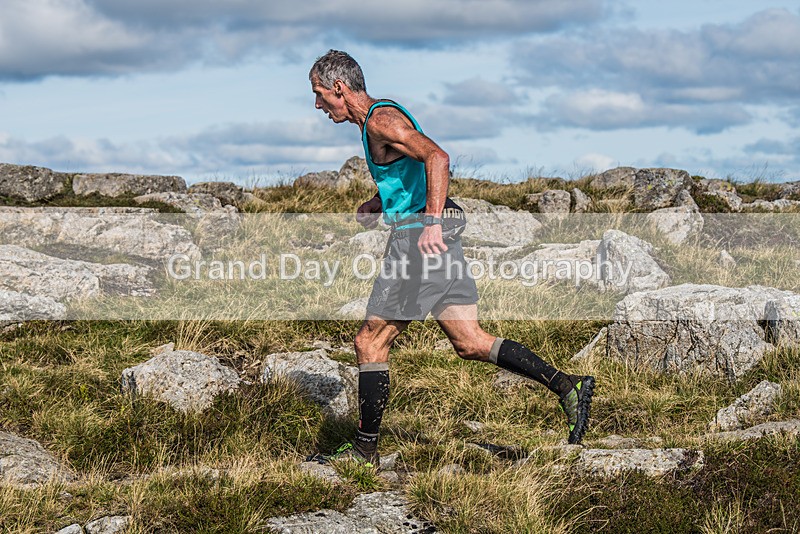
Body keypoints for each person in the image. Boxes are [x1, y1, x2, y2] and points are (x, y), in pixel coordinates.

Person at [308, 50, 594, 467]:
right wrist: (378, 202)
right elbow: (410, 171)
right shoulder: (378, 122)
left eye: (319, 95)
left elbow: (437, 157)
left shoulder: (380, 120)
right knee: (470, 342)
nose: (318, 105)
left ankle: (365, 450)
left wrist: (431, 223)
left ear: (339, 88)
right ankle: (568, 386)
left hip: (418, 240)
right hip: (429, 235)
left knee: (370, 340)